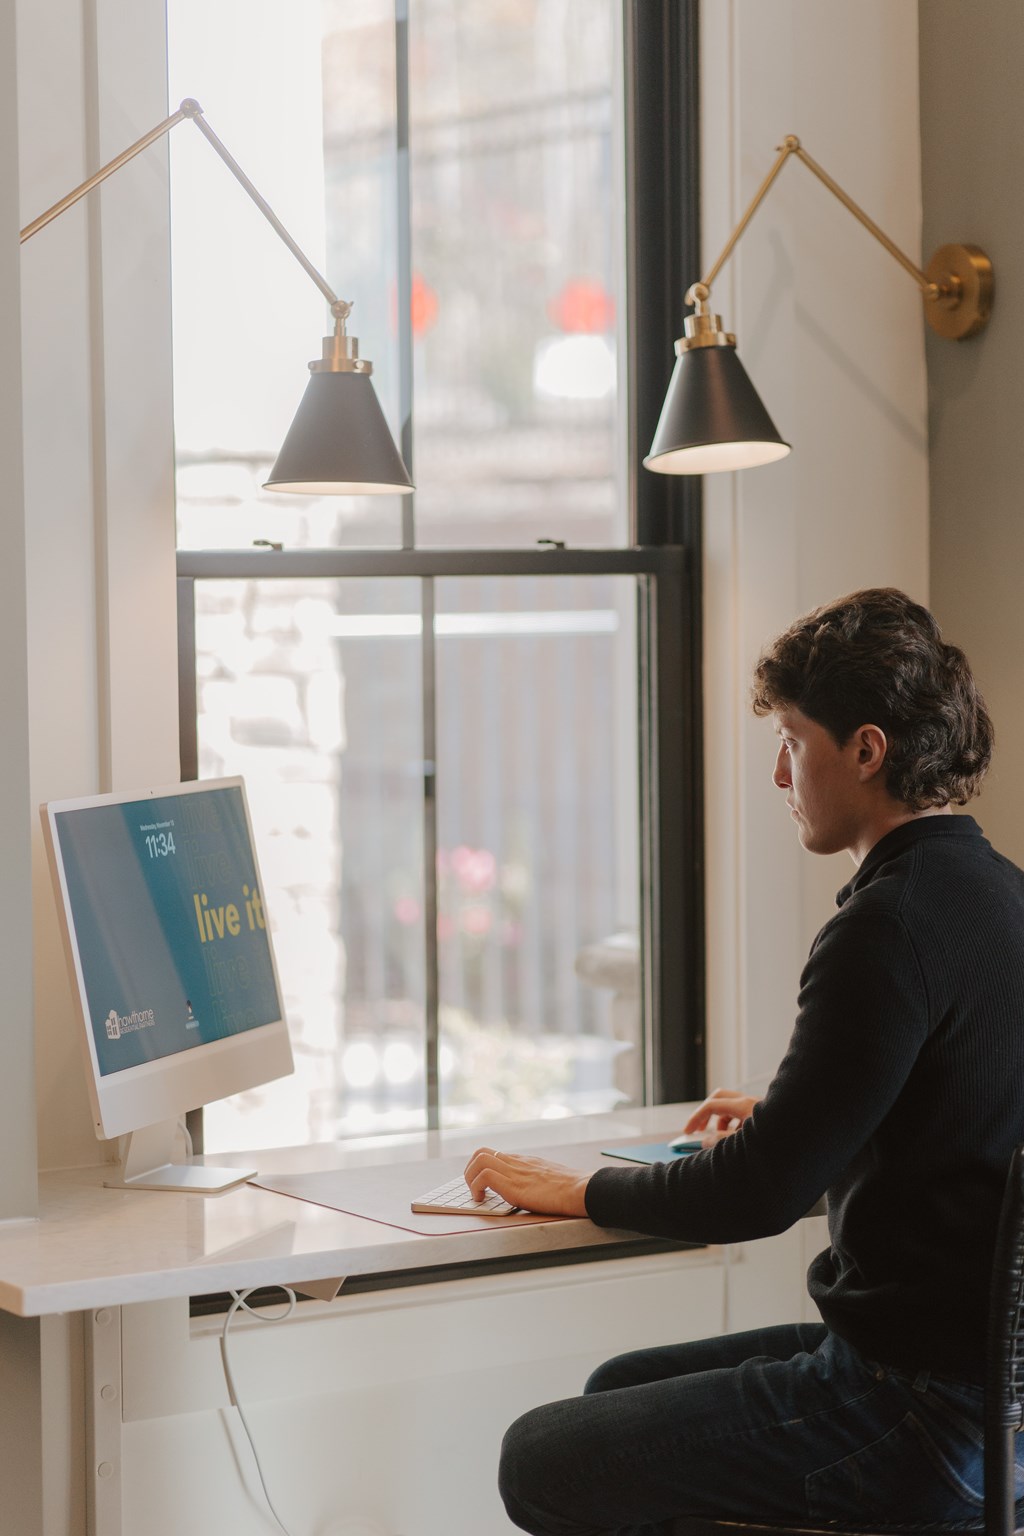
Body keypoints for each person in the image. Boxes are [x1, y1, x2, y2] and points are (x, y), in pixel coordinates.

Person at [464, 587, 1024, 1535]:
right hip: (995, 1406)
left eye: (794, 743)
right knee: (619, 1389)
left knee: (542, 1457)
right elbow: (965, 1109)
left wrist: (577, 1188)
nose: (778, 774)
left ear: (866, 750)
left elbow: (755, 1198)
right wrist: (802, 1112)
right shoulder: (996, 893)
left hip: (919, 1416)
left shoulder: (883, 926)